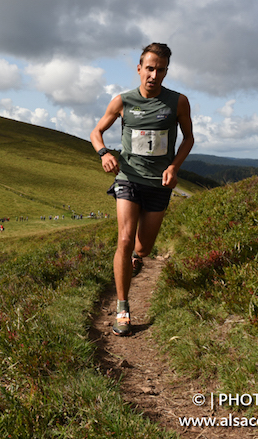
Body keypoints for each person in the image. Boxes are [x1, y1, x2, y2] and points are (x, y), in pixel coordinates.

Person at [90, 43, 194, 337]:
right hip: (128, 177)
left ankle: (137, 258)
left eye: (160, 70)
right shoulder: (122, 101)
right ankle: (123, 308)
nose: (154, 75)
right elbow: (96, 132)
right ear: (139, 68)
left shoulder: (178, 102)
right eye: (149, 68)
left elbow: (188, 139)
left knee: (143, 246)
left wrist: (174, 167)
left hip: (158, 183)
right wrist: (104, 153)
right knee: (124, 239)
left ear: (166, 72)